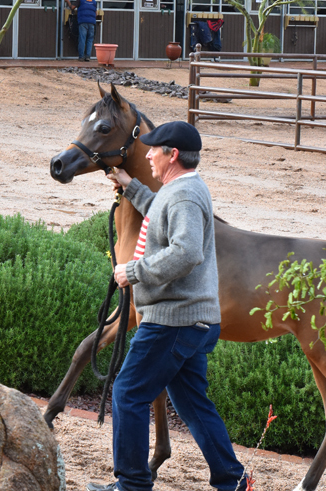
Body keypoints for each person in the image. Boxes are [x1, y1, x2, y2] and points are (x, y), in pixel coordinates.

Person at [87, 121, 246, 491]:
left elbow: (186, 252)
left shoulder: (185, 195)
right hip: (191, 319)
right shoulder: (180, 190)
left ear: (172, 155)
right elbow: (161, 209)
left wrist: (134, 271)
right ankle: (232, 479)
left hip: (173, 320)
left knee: (127, 392)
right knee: (191, 402)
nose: (147, 154)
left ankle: (132, 485)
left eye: (154, 149)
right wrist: (130, 186)